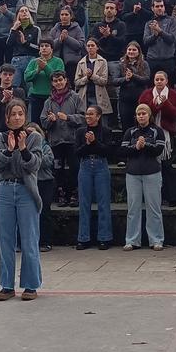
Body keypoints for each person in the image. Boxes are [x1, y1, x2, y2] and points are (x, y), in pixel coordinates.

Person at [0, 100, 43, 301]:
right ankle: (6, 285)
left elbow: (34, 165)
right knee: (5, 240)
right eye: (13, 114)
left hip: (25, 190)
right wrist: (9, 151)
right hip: (5, 190)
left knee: (29, 238)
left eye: (20, 114)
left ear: (25, 116)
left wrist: (22, 149)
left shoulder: (34, 138)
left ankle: (31, 285)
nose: (17, 117)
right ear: (7, 118)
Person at [120, 104, 166, 250]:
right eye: (138, 114)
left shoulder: (157, 131)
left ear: (149, 115)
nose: (141, 116)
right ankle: (132, 240)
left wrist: (145, 145)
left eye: (143, 114)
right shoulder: (130, 131)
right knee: (133, 208)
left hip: (152, 173)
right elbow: (122, 150)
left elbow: (158, 150)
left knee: (154, 207)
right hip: (133, 174)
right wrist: (136, 147)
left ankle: (156, 239)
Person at [138, 71, 176, 208]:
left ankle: (172, 197)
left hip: (166, 133)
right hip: (149, 132)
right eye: (156, 79)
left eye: (161, 79)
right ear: (153, 81)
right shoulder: (146, 94)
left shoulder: (173, 94)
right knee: (151, 165)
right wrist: (154, 104)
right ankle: (152, 197)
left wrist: (165, 103)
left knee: (167, 165)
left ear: (166, 81)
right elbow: (143, 112)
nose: (159, 81)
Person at [43, 71, 87, 209]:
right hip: (56, 141)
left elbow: (83, 118)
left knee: (75, 168)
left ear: (66, 80)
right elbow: (43, 121)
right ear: (52, 83)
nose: (58, 83)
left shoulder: (75, 97)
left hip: (72, 140)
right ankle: (61, 193)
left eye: (60, 80)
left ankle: (74, 193)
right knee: (57, 169)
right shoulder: (48, 101)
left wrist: (68, 118)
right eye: (55, 81)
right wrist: (50, 121)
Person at [74, 105, 113, 250]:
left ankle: (104, 237)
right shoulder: (80, 132)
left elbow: (108, 151)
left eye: (91, 114)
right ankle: (83, 237)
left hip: (101, 165)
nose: (88, 117)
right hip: (85, 165)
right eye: (86, 114)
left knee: (104, 202)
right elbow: (77, 152)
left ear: (98, 116)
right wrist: (87, 144)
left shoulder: (106, 131)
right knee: (84, 202)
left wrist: (95, 142)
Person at [24, 40, 63, 125]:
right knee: (35, 124)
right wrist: (37, 70)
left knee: (51, 122)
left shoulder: (58, 61)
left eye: (47, 45)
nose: (44, 48)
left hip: (52, 97)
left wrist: (45, 67)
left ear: (52, 49)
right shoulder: (34, 61)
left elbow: (58, 77)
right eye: (42, 46)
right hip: (36, 97)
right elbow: (26, 77)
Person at [75, 38, 113, 124]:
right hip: (85, 95)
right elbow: (76, 82)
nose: (90, 48)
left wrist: (92, 76)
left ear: (97, 47)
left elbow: (104, 81)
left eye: (92, 45)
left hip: (99, 95)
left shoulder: (102, 61)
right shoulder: (81, 63)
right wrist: (86, 78)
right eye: (88, 46)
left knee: (101, 122)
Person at [116, 42, 150, 133]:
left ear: (139, 52)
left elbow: (146, 79)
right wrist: (125, 79)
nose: (131, 51)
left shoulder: (144, 64)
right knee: (126, 125)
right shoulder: (121, 64)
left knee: (140, 124)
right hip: (125, 100)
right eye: (129, 49)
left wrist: (133, 76)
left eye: (134, 50)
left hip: (140, 99)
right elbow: (114, 81)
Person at [144, 0, 176, 85]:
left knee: (169, 87)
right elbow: (146, 42)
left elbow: (171, 39)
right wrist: (155, 36)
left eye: (161, 6)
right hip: (152, 60)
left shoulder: (172, 21)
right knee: (151, 87)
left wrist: (159, 31)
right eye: (157, 6)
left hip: (168, 60)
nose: (160, 8)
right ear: (152, 8)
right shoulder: (149, 23)